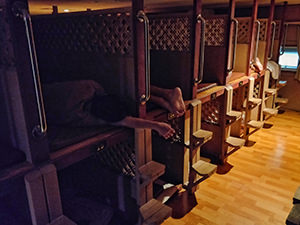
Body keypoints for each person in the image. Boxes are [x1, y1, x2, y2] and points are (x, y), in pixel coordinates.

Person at [43, 80, 185, 139]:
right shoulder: (90, 88)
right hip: (45, 99)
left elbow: (125, 121)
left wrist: (157, 126)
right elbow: (125, 121)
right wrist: (156, 125)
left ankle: (166, 97)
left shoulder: (85, 98)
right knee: (125, 87)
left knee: (125, 87)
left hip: (46, 93)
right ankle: (164, 97)